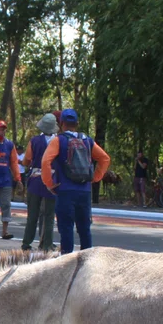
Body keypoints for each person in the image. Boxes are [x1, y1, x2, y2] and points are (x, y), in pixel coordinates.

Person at [41, 109, 111, 254]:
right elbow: (105, 158)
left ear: (61, 124)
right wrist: (95, 178)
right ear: (77, 123)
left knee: (66, 228)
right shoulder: (87, 140)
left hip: (65, 190)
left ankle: (67, 261)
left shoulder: (58, 140)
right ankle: (87, 263)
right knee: (85, 229)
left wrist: (49, 184)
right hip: (84, 191)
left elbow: (45, 161)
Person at [21, 114, 58, 251]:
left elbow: (26, 161)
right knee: (49, 215)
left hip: (35, 179)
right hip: (52, 181)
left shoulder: (34, 141)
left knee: (33, 214)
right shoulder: (59, 141)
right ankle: (46, 244)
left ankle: (26, 243)